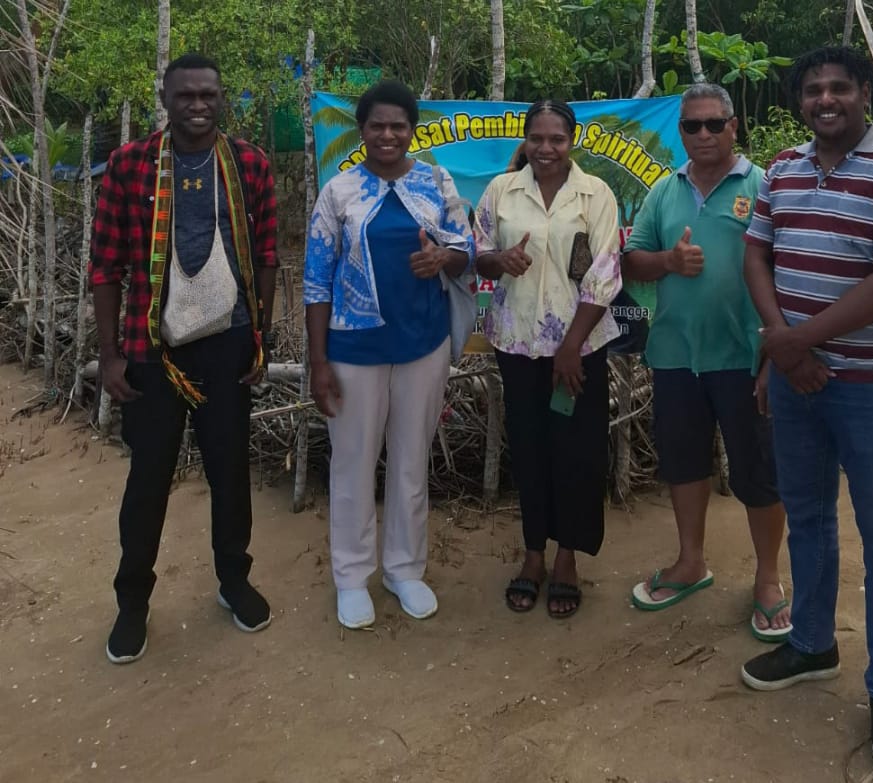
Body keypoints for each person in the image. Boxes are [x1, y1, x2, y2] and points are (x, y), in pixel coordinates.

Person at [739, 46, 873, 774]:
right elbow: (757, 255)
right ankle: (813, 641)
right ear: (800, 103)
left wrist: (795, 342)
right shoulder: (784, 169)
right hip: (797, 383)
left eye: (838, 88)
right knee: (810, 514)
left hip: (869, 385)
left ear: (864, 95)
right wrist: (783, 352)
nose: (825, 99)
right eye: (813, 89)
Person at [90, 53, 277, 664]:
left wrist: (261, 339)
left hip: (228, 344)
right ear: (165, 99)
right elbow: (107, 265)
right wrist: (111, 355)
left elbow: (268, 257)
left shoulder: (248, 164)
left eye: (209, 95)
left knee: (230, 472)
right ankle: (132, 605)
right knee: (148, 480)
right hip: (152, 347)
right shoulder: (129, 166)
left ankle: (233, 580)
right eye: (186, 96)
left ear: (222, 98)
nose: (198, 105)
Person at [622, 83, 791, 642]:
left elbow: (787, 271)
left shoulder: (764, 186)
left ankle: (768, 579)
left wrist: (775, 354)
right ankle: (690, 562)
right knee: (684, 465)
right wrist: (667, 260)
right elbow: (632, 263)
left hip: (746, 358)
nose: (702, 135)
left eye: (713, 124)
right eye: (691, 126)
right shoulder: (663, 192)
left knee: (759, 472)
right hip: (675, 358)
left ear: (733, 126)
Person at [303, 80, 475, 629]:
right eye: (376, 125)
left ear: (412, 129)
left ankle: (404, 569)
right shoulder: (339, 192)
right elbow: (316, 282)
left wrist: (442, 258)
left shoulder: (436, 181)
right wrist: (318, 360)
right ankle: (352, 577)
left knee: (409, 462)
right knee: (353, 461)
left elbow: (466, 247)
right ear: (362, 130)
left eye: (398, 125)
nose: (387, 134)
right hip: (354, 349)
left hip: (424, 344)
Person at [474, 100, 622, 619]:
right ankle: (533, 554)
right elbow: (479, 252)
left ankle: (567, 559)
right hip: (517, 346)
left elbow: (604, 272)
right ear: (527, 140)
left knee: (577, 453)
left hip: (577, 351)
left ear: (572, 140)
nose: (546, 148)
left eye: (556, 138)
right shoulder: (501, 190)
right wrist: (500, 260)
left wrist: (569, 348)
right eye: (537, 138)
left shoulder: (595, 194)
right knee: (531, 449)